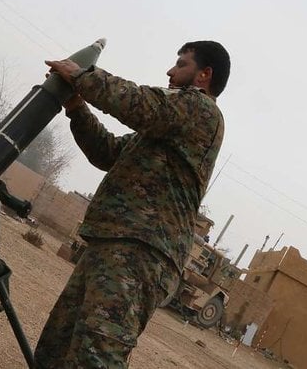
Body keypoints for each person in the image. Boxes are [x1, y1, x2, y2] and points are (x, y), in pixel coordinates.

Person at [34, 41, 231, 368]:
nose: (170, 71)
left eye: (181, 64)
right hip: (115, 245)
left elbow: (141, 104)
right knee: (56, 350)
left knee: (95, 358)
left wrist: (83, 76)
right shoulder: (163, 132)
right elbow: (108, 152)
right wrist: (76, 108)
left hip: (141, 253)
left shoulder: (201, 110)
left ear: (203, 75)